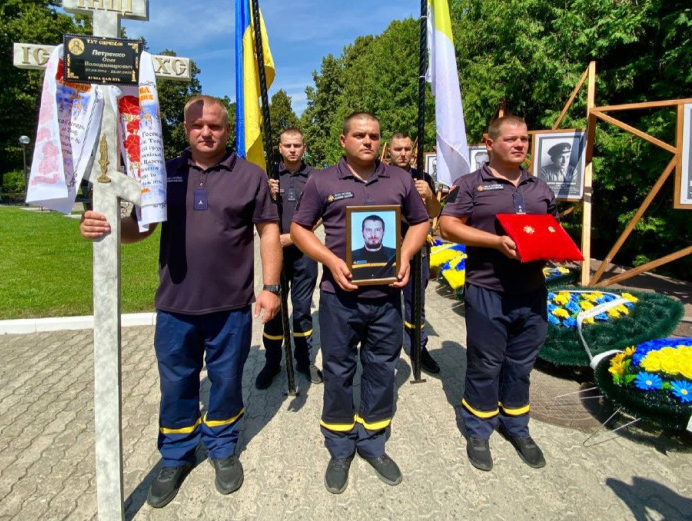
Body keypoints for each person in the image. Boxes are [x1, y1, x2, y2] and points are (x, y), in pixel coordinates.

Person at [79, 95, 282, 507]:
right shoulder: (163, 173)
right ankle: (176, 455)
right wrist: (108, 225)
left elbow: (268, 231)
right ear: (186, 129)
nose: (206, 132)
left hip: (230, 307)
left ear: (227, 130)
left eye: (215, 126)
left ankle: (223, 447)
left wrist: (271, 287)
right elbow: (141, 229)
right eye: (197, 125)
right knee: (176, 385)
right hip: (175, 306)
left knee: (226, 381)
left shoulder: (250, 175)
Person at [290, 112, 429, 494]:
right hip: (340, 299)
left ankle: (372, 440)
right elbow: (299, 229)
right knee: (338, 369)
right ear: (343, 140)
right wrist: (330, 260)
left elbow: (421, 222)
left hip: (386, 298)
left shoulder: (399, 179)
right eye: (359, 135)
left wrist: (405, 256)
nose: (367, 141)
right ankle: (339, 446)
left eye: (373, 136)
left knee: (382, 368)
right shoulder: (322, 180)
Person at [438, 115, 558, 472]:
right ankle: (478, 429)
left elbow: (553, 227)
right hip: (488, 290)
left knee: (521, 365)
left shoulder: (539, 187)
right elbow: (447, 226)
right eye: (511, 139)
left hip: (531, 291)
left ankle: (516, 426)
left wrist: (555, 248)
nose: (520, 145)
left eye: (524, 139)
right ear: (490, 144)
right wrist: (494, 241)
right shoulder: (470, 185)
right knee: (485, 364)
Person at [255, 128, 323, 389]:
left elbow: (322, 213)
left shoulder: (315, 177)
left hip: (304, 253)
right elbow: (255, 211)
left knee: (302, 310)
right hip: (276, 255)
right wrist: (266, 193)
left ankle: (304, 361)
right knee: (274, 310)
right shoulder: (269, 176)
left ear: (304, 147)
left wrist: (295, 237)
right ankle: (272, 362)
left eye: (297, 145)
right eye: (287, 145)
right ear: (280, 148)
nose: (292, 149)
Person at [388, 132, 442, 374]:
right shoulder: (380, 176)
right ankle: (387, 350)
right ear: (389, 151)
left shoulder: (423, 177)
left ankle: (417, 348)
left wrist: (428, 195)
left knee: (415, 302)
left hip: (417, 251)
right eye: (398, 149)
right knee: (387, 303)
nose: (403, 154)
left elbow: (434, 212)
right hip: (387, 250)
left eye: (407, 149)